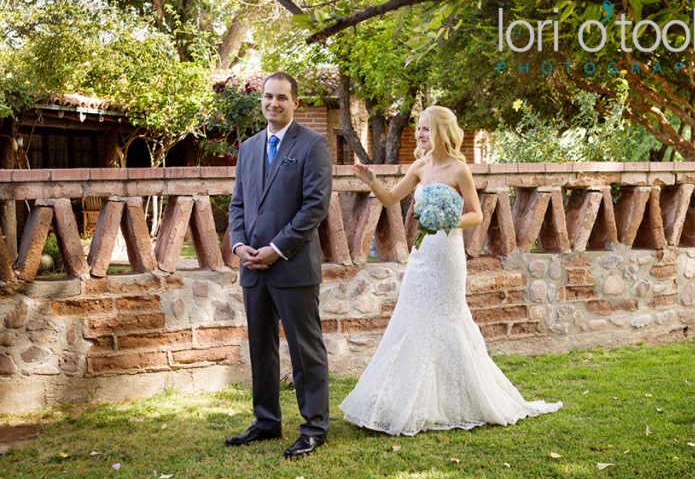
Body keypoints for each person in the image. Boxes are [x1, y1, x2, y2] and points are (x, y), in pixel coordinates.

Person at [340, 106, 562, 436]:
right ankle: (404, 400)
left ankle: (459, 399)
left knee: (446, 319)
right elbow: (389, 200)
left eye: (426, 129)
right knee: (411, 318)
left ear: (442, 132)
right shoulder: (420, 166)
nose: (419, 134)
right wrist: (371, 180)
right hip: (421, 255)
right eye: (418, 128)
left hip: (446, 255)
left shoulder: (459, 170)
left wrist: (447, 221)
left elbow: (476, 215)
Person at [225, 72, 332, 459]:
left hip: (292, 267)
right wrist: (240, 246)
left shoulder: (313, 145)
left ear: (294, 102)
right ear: (262, 101)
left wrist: (275, 248)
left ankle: (314, 428)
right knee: (261, 348)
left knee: (305, 351)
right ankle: (267, 421)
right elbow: (238, 204)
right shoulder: (249, 147)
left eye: (282, 98)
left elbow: (313, 208)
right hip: (252, 268)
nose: (274, 103)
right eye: (268, 97)